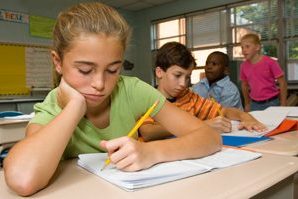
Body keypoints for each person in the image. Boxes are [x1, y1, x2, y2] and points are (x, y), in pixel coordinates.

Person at [3, 3, 222, 196]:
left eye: (112, 69)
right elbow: (23, 179)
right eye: (85, 70)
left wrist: (151, 152)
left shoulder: (132, 90)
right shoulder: (53, 105)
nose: (99, 83)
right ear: (58, 62)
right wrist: (75, 107)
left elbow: (210, 138)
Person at [139, 42, 266, 142]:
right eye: (177, 75)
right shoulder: (146, 98)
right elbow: (148, 132)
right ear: (159, 72)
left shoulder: (189, 97)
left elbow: (224, 111)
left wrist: (245, 117)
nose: (183, 83)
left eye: (187, 77)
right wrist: (202, 125)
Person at [240, 33, 287, 112]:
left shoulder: (271, 62)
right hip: (254, 105)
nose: (244, 50)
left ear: (257, 47)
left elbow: (282, 83)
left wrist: (283, 102)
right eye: (242, 47)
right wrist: (247, 104)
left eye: (247, 46)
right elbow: (244, 86)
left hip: (272, 103)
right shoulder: (243, 66)